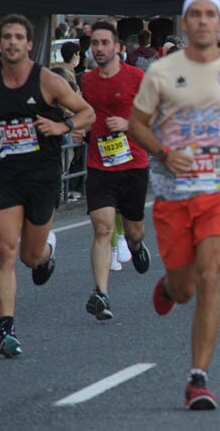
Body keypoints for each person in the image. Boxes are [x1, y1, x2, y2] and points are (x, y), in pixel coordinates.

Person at [127, 0, 220, 410]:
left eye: (210, 15)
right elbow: (137, 124)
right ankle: (168, 286)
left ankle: (197, 378)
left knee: (211, 275)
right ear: (185, 24)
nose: (202, 22)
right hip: (174, 193)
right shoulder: (162, 72)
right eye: (195, 15)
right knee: (184, 287)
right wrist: (165, 153)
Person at [0, 14, 96, 357]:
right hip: (5, 178)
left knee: (30, 257)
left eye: (19, 36)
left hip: (42, 178)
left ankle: (46, 252)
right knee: (4, 250)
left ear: (29, 44)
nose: (12, 42)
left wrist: (64, 127)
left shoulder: (47, 81)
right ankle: (6, 330)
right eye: (7, 37)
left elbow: (87, 112)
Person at [77, 21, 152, 322]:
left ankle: (135, 244)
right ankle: (101, 294)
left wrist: (128, 124)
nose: (99, 48)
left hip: (133, 164)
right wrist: (79, 129)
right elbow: (83, 112)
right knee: (103, 229)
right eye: (94, 43)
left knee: (134, 229)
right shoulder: (87, 80)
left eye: (105, 43)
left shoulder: (136, 77)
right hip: (99, 165)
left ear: (118, 47)